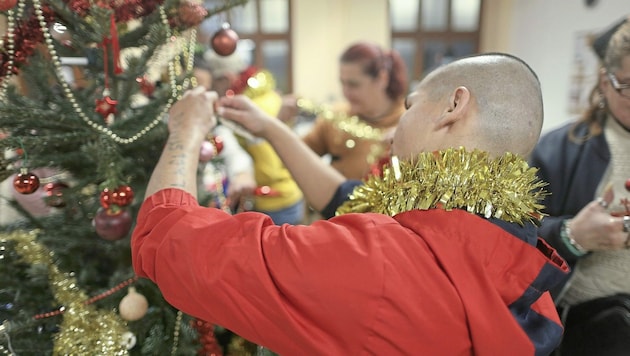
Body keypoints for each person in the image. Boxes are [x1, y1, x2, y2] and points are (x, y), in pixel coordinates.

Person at [132, 53, 568, 355]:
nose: (398, 124)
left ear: (453, 106)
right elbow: (348, 201)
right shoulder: (507, 245)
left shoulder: (380, 263)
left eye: (410, 105)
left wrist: (185, 134)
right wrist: (271, 129)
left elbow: (167, 239)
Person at [528, 18, 630, 355]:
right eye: (629, 86)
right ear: (605, 81)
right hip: (588, 327)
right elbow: (510, 237)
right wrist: (572, 236)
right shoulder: (559, 150)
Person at [204, 50, 304, 224]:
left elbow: (269, 165)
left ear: (226, 79)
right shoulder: (266, 95)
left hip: (275, 199)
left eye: (213, 84)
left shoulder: (250, 109)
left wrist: (242, 176)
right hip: (287, 193)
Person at [299, 41, 408, 180]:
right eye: (342, 83)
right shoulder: (337, 117)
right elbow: (297, 155)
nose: (345, 92)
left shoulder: (407, 122)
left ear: (382, 78)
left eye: (353, 84)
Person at [193, 51, 257, 212]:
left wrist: (242, 174)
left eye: (206, 92)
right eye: (192, 93)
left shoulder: (214, 127)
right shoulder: (162, 132)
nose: (202, 101)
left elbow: (235, 155)